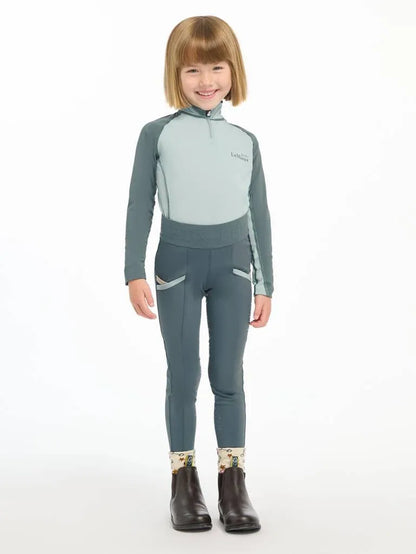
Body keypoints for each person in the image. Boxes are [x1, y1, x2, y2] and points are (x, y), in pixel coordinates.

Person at [124, 15, 274, 532]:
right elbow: (139, 203)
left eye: (216, 67)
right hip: (177, 268)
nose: (206, 80)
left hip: (233, 268)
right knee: (184, 374)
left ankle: (233, 484)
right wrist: (133, 270)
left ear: (233, 71)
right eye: (192, 70)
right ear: (176, 74)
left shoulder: (245, 141)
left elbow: (257, 216)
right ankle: (183, 484)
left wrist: (265, 283)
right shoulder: (157, 134)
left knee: (228, 376)